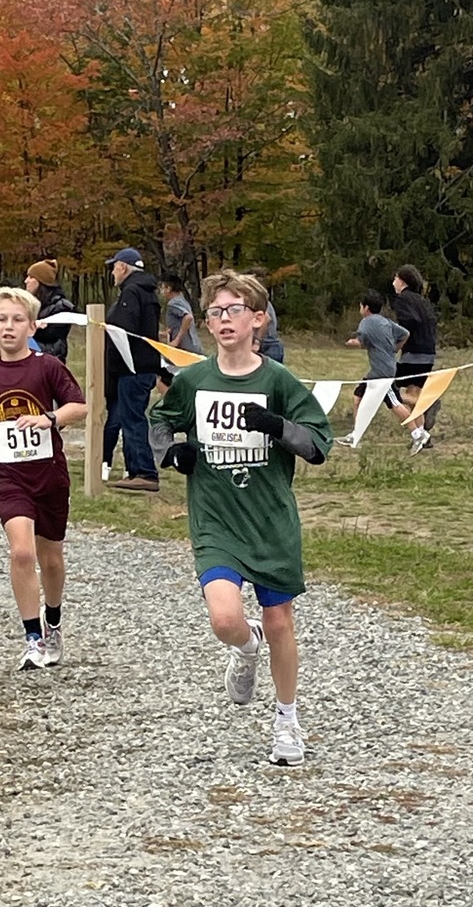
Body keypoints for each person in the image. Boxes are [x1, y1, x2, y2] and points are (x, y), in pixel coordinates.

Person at [149, 269, 333, 767]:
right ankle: (243, 645)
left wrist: (276, 426)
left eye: (234, 311)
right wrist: (174, 454)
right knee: (225, 617)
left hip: (270, 520)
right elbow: (161, 421)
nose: (223, 320)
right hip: (217, 520)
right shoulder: (193, 381)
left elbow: (319, 443)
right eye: (215, 312)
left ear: (258, 320)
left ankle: (288, 721)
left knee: (279, 621)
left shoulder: (278, 380)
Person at [0, 286, 88, 672]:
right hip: (9, 475)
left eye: (17, 320)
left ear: (32, 326)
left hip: (49, 474)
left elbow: (78, 406)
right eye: (1, 320)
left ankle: (54, 620)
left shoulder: (47, 367)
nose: (9, 327)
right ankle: (32, 638)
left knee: (51, 557)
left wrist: (48, 419)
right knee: (22, 552)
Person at [337, 290, 431, 456]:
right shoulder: (385, 322)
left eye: (360, 306)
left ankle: (418, 434)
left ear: (366, 308)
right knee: (358, 397)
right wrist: (395, 348)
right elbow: (405, 334)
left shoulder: (366, 323)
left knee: (394, 403)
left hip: (383, 373)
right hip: (380, 370)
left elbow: (360, 341)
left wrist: (349, 343)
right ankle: (355, 434)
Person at [103, 247, 161, 492]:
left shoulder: (131, 291)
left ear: (123, 267)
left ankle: (144, 472)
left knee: (132, 418)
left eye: (114, 267)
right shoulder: (147, 291)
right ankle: (135, 470)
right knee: (132, 416)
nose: (113, 272)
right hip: (144, 365)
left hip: (132, 366)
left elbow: (123, 330)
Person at [392, 264, 440, 439]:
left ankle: (428, 404)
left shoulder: (403, 300)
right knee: (413, 391)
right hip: (428, 352)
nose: (393, 283)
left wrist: (397, 338)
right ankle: (422, 436)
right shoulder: (422, 300)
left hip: (413, 353)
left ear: (402, 282)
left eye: (395, 279)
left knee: (385, 387)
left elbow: (409, 321)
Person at [157, 272, 203, 394]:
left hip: (184, 348)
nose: (161, 291)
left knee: (162, 378)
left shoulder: (173, 303)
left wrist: (177, 340)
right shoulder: (183, 300)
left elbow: (188, 318)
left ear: (169, 288)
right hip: (191, 346)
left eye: (162, 287)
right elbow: (179, 323)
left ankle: (172, 403)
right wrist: (166, 333)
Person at [24, 258, 75, 364]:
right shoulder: (28, 306)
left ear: (41, 281)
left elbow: (49, 335)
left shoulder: (62, 308)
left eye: (31, 277)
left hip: (50, 365)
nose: (26, 281)